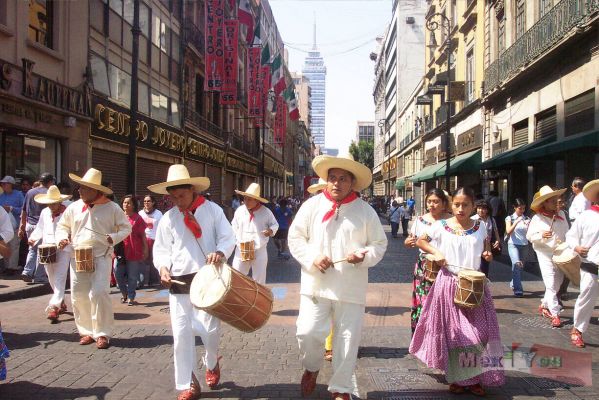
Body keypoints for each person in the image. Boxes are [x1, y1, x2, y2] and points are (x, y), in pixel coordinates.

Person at [288, 154, 387, 400]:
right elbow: (295, 237)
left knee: (346, 339)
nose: (336, 184)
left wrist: (363, 255)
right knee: (307, 332)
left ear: (352, 183)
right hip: (315, 284)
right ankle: (311, 367)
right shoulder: (311, 207)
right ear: (326, 179)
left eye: (343, 179)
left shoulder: (365, 211)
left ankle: (341, 387)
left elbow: (379, 244)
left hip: (350, 287)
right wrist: (312, 256)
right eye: (332, 178)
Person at [150, 164, 235, 400]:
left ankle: (211, 360)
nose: (178, 201)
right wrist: (163, 267)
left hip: (207, 280)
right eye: (174, 197)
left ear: (192, 190)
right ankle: (188, 382)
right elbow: (162, 249)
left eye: (182, 195)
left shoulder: (213, 210)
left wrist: (220, 252)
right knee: (181, 334)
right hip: (178, 283)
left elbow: (228, 237)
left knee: (209, 330)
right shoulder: (168, 218)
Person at [411, 187, 504, 396]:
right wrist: (436, 252)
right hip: (449, 283)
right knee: (458, 335)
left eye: (465, 205)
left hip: (475, 285)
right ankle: (464, 379)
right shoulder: (441, 226)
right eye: (456, 204)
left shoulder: (481, 226)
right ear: (451, 204)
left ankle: (472, 376)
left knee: (481, 334)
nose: (460, 209)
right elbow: (421, 241)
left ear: (473, 206)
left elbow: (486, 248)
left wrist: (488, 254)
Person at [56, 168, 131, 349]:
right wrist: (62, 238)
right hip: (78, 256)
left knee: (99, 292)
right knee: (79, 294)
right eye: (79, 188)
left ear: (96, 190)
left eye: (84, 188)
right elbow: (61, 226)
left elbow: (126, 228)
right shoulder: (73, 207)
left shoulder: (112, 207)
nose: (80, 191)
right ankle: (86, 331)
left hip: (101, 256)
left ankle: (102, 333)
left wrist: (113, 238)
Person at [405, 188, 450, 334]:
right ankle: (423, 335)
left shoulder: (451, 220)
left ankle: (442, 335)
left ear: (444, 203)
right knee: (423, 301)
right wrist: (408, 242)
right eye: (429, 201)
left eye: (436, 202)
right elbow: (411, 240)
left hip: (446, 265)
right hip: (424, 265)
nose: (432, 205)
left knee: (443, 302)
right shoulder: (420, 220)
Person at [27, 185, 72, 321]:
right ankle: (60, 301)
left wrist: (67, 239)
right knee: (51, 277)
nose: (51, 206)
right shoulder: (45, 212)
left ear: (59, 201)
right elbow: (40, 227)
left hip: (63, 249)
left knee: (60, 276)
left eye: (54, 203)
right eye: (49, 203)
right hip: (47, 248)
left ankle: (53, 307)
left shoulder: (68, 213)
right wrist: (33, 238)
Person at [526, 185, 568, 328]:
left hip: (560, 252)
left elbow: (568, 233)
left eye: (556, 200)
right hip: (544, 253)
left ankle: (544, 304)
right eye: (551, 200)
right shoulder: (537, 218)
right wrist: (541, 236)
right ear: (544, 203)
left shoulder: (562, 215)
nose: (555, 202)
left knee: (558, 282)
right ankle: (555, 313)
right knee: (550, 282)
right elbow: (530, 236)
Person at [567, 179, 599, 348]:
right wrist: (576, 247)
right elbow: (570, 236)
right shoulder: (586, 216)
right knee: (586, 298)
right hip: (592, 265)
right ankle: (577, 329)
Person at [231, 183, 278, 284]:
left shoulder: (266, 212)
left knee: (259, 278)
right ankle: (240, 298)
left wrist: (270, 231)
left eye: (249, 199)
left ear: (256, 200)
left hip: (259, 249)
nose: (246, 201)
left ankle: (258, 298)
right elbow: (234, 226)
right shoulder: (240, 211)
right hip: (243, 247)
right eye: (245, 198)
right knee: (238, 275)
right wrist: (235, 241)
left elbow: (275, 225)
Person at [20, 172, 55, 283]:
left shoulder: (30, 192)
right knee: (42, 251)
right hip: (42, 226)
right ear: (50, 182)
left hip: (29, 225)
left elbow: (24, 210)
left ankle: (27, 271)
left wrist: (22, 225)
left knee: (33, 250)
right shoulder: (49, 193)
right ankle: (39, 276)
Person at [115, 195, 148, 306]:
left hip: (134, 251)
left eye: (128, 203)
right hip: (120, 251)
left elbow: (143, 236)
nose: (126, 205)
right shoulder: (118, 217)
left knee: (132, 276)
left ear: (133, 205)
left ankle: (130, 297)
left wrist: (145, 249)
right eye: (124, 202)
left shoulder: (138, 218)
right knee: (118, 274)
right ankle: (124, 294)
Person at [504, 198, 530, 297]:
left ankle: (513, 282)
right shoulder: (510, 218)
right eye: (520, 208)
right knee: (517, 264)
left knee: (520, 267)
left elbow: (529, 233)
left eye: (523, 208)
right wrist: (516, 222)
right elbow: (508, 231)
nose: (522, 210)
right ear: (514, 208)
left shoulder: (527, 218)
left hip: (525, 245)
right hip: (513, 244)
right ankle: (518, 289)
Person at [0, 176, 24, 274]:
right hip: (3, 226)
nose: (3, 185)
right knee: (4, 246)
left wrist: (12, 209)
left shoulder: (18, 195)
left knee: (14, 246)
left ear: (11, 184)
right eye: (2, 184)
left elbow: (23, 209)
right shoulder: (1, 196)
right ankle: (6, 267)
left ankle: (12, 268)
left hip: (15, 225)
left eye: (5, 183)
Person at [472, 200, 501, 277]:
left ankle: (484, 286)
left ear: (488, 210)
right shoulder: (473, 219)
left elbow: (495, 230)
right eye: (479, 208)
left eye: (483, 208)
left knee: (485, 268)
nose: (481, 210)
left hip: (487, 247)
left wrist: (498, 240)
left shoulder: (491, 219)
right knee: (477, 267)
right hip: (476, 246)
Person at [138, 195, 163, 287]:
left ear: (153, 203)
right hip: (143, 240)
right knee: (142, 261)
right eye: (145, 201)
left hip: (154, 240)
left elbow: (162, 227)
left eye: (148, 201)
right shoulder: (140, 213)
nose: (146, 203)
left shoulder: (159, 214)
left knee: (154, 261)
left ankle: (154, 281)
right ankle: (141, 282)